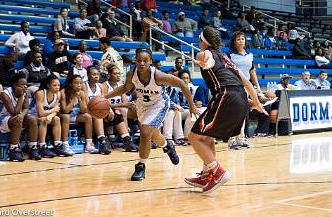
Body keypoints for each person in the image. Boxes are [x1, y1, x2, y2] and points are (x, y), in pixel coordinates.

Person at [184, 27, 267, 193]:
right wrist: (256, 103)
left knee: (193, 136)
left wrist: (206, 61)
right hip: (240, 98)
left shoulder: (204, 54)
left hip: (225, 96)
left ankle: (217, 171)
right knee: (207, 138)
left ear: (203, 41)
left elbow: (207, 57)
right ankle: (207, 176)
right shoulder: (226, 58)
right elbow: (248, 83)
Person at [104, 47, 199, 181]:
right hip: (142, 105)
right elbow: (125, 88)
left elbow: (182, 84)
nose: (142, 63)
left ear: (151, 62)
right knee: (153, 134)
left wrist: (191, 105)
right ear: (135, 61)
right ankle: (167, 145)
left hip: (159, 105)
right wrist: (104, 97)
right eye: (139, 60)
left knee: (145, 132)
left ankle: (141, 165)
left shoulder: (158, 75)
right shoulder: (132, 74)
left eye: (145, 61)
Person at [0, 72, 39, 161]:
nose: (25, 87)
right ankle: (13, 149)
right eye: (22, 85)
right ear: (15, 85)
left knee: (32, 119)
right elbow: (14, 112)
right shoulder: (5, 94)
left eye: (26, 84)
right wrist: (21, 96)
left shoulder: (26, 92)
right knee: (17, 120)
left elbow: (26, 109)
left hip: (13, 117)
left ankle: (32, 147)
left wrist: (21, 115)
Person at [30, 75, 70, 157]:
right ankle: (42, 146)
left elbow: (56, 110)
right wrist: (52, 111)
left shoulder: (58, 94)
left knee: (57, 119)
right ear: (48, 85)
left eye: (58, 85)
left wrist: (51, 116)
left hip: (46, 115)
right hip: (32, 115)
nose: (57, 87)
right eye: (54, 85)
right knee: (43, 119)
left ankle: (57, 145)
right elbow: (41, 113)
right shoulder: (40, 93)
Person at [101, 66, 139, 152]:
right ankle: (127, 139)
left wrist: (131, 105)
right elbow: (105, 103)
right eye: (115, 73)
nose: (118, 75)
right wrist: (124, 105)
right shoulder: (104, 86)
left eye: (119, 74)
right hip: (108, 110)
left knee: (138, 110)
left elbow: (125, 101)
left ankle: (142, 136)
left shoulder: (121, 86)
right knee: (122, 110)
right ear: (109, 75)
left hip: (119, 109)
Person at [60, 75, 94, 156]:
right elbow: (65, 111)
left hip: (75, 116)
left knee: (87, 117)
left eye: (80, 83)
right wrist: (74, 98)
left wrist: (79, 99)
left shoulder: (82, 93)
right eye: (76, 83)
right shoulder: (63, 92)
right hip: (63, 116)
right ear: (70, 84)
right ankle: (65, 144)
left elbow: (84, 110)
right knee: (66, 117)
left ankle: (89, 144)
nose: (79, 85)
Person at [86, 67, 111, 154]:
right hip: (84, 110)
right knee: (97, 114)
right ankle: (102, 141)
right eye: (93, 74)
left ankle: (104, 141)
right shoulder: (84, 86)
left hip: (95, 110)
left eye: (97, 74)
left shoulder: (100, 86)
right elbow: (85, 104)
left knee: (99, 113)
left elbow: (105, 100)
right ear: (88, 75)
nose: (96, 76)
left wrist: (109, 109)